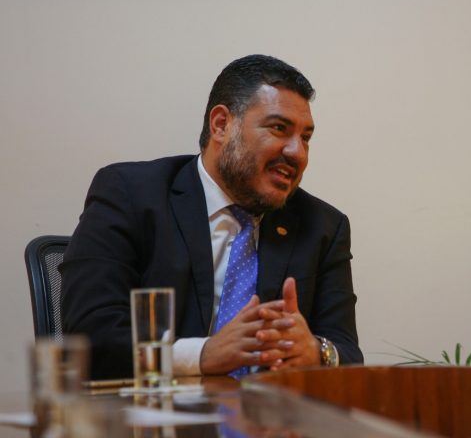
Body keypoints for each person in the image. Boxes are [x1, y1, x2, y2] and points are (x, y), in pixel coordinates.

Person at [60, 55, 362, 379]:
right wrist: (202, 355)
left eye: (305, 138)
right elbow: (90, 336)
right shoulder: (131, 194)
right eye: (279, 129)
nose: (297, 153)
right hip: (155, 408)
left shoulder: (322, 226)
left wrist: (316, 352)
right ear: (221, 125)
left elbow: (347, 352)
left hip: (267, 410)